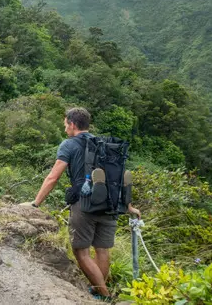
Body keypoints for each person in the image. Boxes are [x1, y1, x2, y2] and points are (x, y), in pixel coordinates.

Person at [22, 107, 141, 300]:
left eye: (65, 124)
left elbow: (53, 177)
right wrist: (128, 206)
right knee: (102, 250)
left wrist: (35, 203)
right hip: (110, 204)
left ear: (73, 124)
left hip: (85, 205)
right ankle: (98, 292)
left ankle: (104, 294)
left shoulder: (68, 145)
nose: (64, 128)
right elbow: (116, 177)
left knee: (81, 251)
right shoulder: (102, 143)